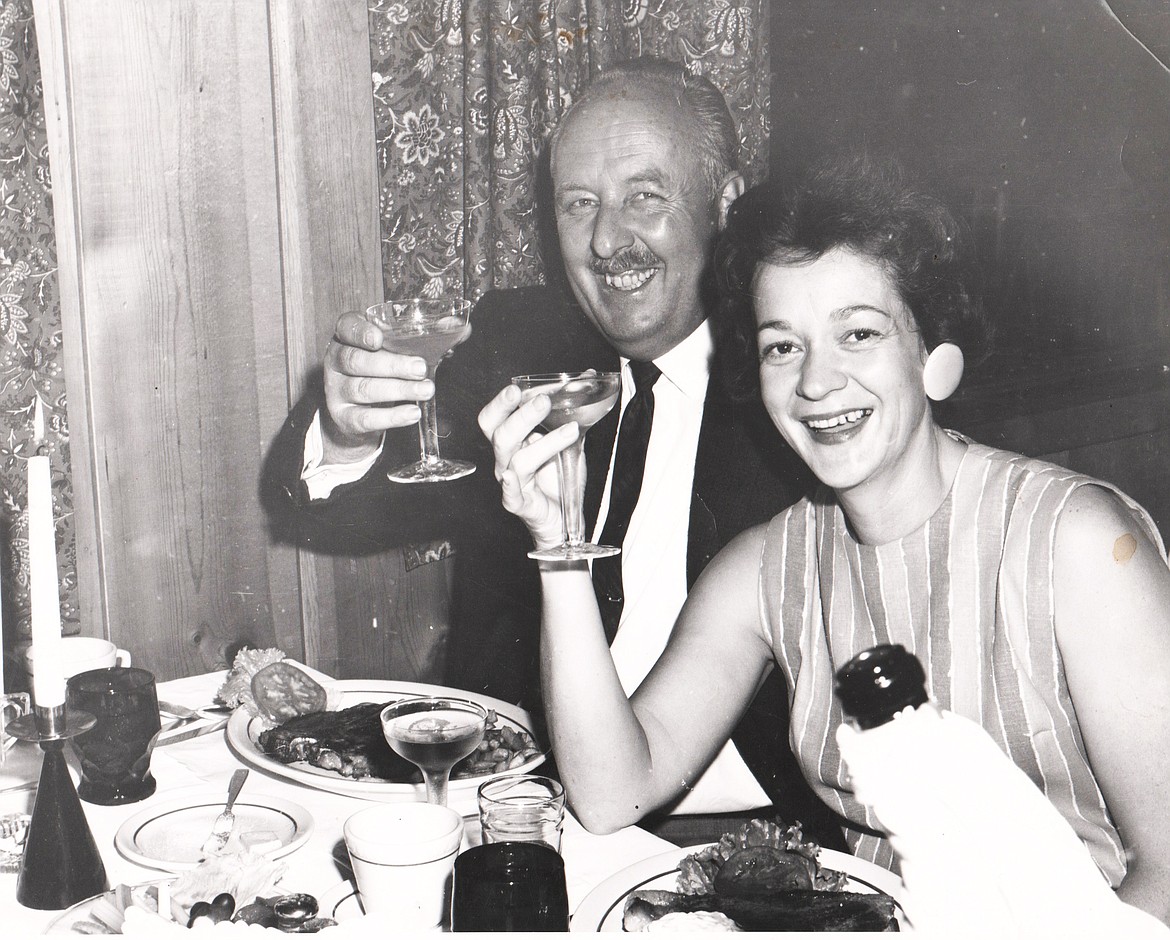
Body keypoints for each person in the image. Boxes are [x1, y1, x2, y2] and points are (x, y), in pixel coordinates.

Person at [479, 156, 1170, 921]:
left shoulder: (1076, 544)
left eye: (859, 333)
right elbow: (611, 794)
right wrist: (559, 543)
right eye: (783, 345)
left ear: (933, 357)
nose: (815, 382)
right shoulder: (770, 566)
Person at [264, 57, 843, 844]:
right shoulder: (517, 341)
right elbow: (346, 513)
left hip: (742, 834)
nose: (608, 240)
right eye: (579, 205)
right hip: (509, 811)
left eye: (645, 196)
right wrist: (344, 429)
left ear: (726, 204)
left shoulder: (800, 383)